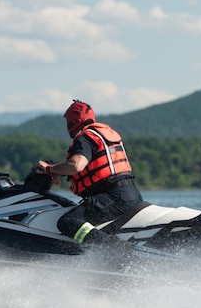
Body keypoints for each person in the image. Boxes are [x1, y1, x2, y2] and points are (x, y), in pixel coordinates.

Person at [33, 99, 143, 247]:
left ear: (74, 121)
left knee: (68, 222)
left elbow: (76, 165)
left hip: (113, 196)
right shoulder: (102, 134)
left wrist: (48, 169)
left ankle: (113, 250)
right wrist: (59, 169)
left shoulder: (84, 137)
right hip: (131, 193)